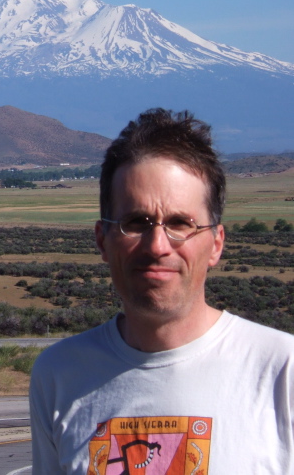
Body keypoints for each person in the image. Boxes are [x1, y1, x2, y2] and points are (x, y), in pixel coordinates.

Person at [29, 108, 294, 474]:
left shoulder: (281, 371)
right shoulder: (59, 375)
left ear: (216, 243)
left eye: (180, 223)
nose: (157, 246)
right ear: (102, 239)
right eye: (136, 222)